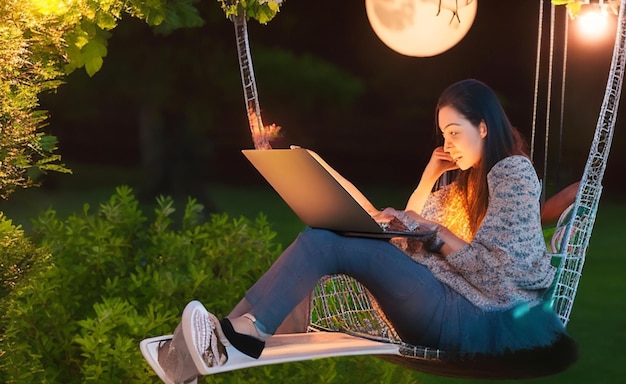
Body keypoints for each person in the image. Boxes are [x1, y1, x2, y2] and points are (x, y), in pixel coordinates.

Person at [154, 79, 576, 383]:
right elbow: (408, 239)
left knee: (324, 240)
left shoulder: (513, 173)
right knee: (326, 230)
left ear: (484, 126)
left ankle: (241, 334)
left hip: (472, 316)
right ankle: (229, 339)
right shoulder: (461, 184)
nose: (448, 145)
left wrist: (436, 234)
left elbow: (500, 278)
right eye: (443, 135)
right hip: (436, 305)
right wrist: (429, 179)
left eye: (455, 133)